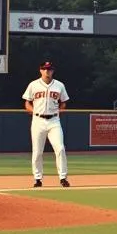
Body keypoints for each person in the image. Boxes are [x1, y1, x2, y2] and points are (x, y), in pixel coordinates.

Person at [23, 60, 70, 188]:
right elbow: (27, 102)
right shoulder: (33, 85)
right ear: (40, 70)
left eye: (49, 69)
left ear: (53, 71)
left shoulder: (59, 85)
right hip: (38, 120)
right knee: (37, 151)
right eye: (44, 69)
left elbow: (64, 101)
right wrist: (33, 111)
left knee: (60, 148)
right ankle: (37, 178)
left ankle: (63, 177)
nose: (47, 71)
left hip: (54, 121)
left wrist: (60, 110)